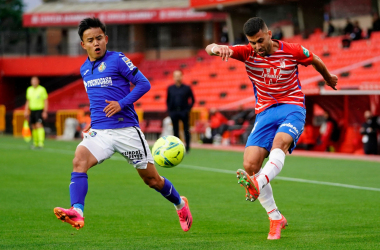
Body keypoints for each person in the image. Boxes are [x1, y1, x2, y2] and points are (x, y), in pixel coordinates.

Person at [53, 17, 192, 232]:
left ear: (106, 39)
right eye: (90, 40)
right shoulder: (84, 69)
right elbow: (96, 98)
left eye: (99, 38)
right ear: (83, 44)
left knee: (153, 181)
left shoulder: (117, 59)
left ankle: (180, 204)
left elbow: (144, 83)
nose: (96, 43)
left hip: (126, 130)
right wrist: (93, 121)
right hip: (100, 132)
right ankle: (77, 211)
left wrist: (121, 103)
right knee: (79, 160)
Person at [205, 17, 338, 240]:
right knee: (249, 164)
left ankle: (258, 183)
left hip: (292, 107)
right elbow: (210, 49)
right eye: (252, 43)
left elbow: (315, 60)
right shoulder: (247, 53)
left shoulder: (292, 50)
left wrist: (328, 78)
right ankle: (275, 217)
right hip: (265, 113)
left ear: (269, 33)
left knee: (280, 143)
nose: (257, 47)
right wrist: (216, 47)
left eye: (259, 41)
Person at [166, 70, 195, 152]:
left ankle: (188, 147)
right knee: (175, 130)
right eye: (176, 76)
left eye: (179, 75)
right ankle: (177, 147)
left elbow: (193, 100)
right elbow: (168, 100)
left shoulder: (187, 88)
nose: (177, 77)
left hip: (184, 112)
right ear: (173, 77)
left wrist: (188, 110)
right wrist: (170, 111)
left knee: (186, 129)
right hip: (174, 112)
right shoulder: (170, 88)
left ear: (182, 76)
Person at [24, 76, 48, 149]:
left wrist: (45, 111)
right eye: (33, 80)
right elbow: (28, 101)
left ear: (38, 81)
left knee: (39, 125)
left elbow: (45, 100)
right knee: (33, 126)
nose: (34, 82)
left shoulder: (42, 89)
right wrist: (26, 110)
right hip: (32, 110)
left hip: (39, 110)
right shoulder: (29, 89)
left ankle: (41, 143)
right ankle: (35, 143)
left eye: (35, 80)